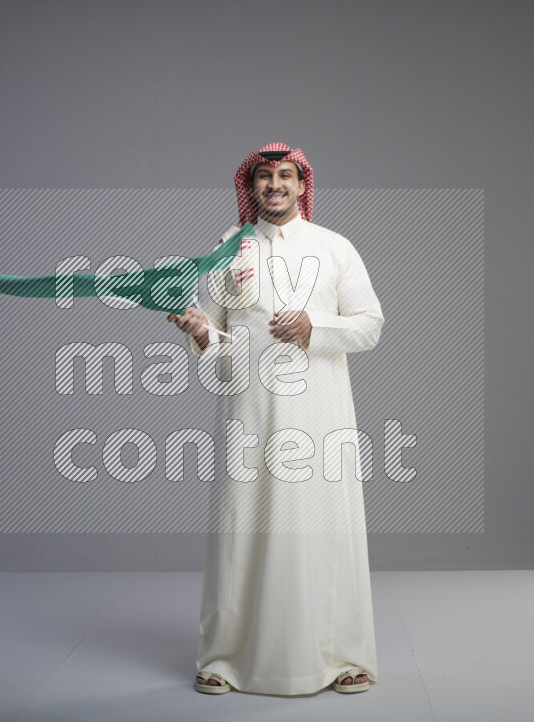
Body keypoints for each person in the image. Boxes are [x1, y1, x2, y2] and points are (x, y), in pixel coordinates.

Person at [167, 142, 385, 696]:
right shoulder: (226, 249)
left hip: (320, 415)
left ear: (301, 184)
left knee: (324, 527)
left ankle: (341, 656)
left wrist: (316, 327)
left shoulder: (335, 248)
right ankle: (224, 659)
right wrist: (198, 331)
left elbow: (369, 325)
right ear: (252, 186)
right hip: (249, 413)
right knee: (241, 527)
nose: (275, 186)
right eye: (264, 177)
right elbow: (214, 337)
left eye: (285, 176)